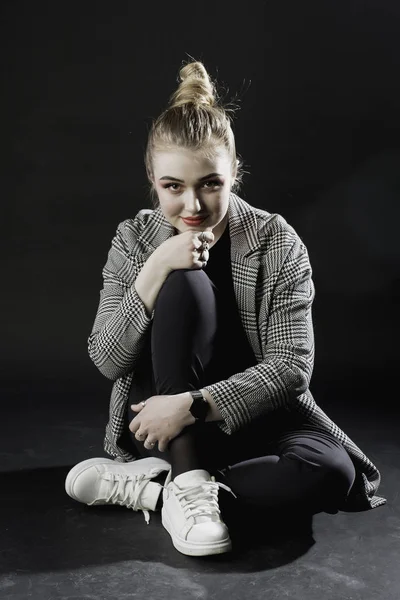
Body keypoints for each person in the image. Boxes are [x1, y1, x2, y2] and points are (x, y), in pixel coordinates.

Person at [65, 59, 386, 557]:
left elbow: (292, 367)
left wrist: (194, 405)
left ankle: (160, 491)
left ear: (235, 173)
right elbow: (108, 360)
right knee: (186, 282)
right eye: (173, 186)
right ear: (152, 177)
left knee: (335, 473)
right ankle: (189, 477)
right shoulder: (133, 239)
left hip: (242, 415)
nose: (192, 205)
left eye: (210, 183)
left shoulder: (275, 240)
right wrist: (156, 269)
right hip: (164, 422)